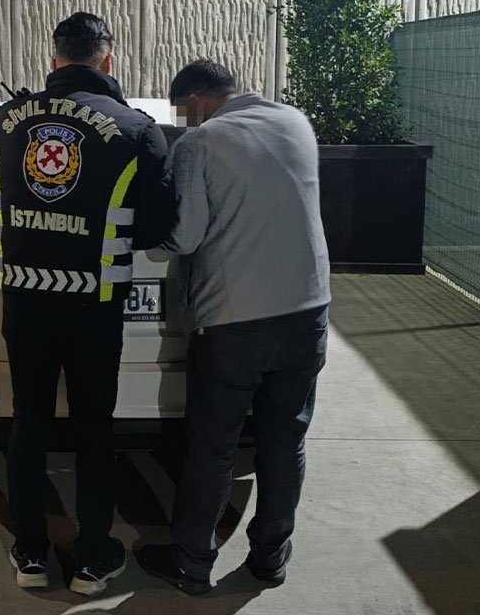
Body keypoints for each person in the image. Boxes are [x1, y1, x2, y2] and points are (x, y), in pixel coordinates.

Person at [0, 12, 173, 596]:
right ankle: (93, 559)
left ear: (55, 59)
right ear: (107, 59)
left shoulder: (6, 120)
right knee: (94, 428)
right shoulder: (136, 129)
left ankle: (30, 554)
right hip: (95, 302)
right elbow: (154, 229)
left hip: (24, 298)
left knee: (29, 423)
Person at [136, 59, 331, 595]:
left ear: (196, 101)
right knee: (284, 441)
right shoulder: (295, 121)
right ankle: (270, 558)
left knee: (213, 448)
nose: (184, 121)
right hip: (308, 312)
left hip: (234, 321)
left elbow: (186, 237)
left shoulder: (201, 141)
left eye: (182, 112)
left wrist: (150, 235)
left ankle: (191, 563)